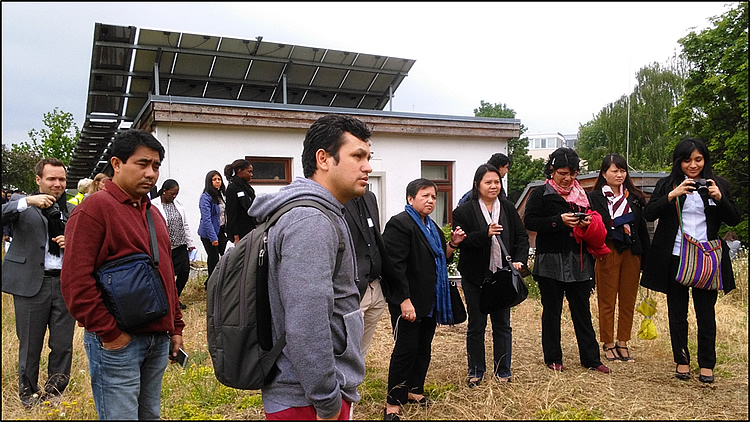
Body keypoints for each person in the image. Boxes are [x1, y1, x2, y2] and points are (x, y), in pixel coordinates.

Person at [247, 114, 372, 420]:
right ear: (323, 159)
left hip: (306, 394)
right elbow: (306, 320)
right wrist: (327, 402)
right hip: (306, 400)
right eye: (357, 156)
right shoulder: (311, 220)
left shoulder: (318, 213)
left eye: (368, 157)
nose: (367, 166)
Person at [60, 129, 185, 419]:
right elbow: (76, 283)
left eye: (155, 166)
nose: (151, 173)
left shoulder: (153, 213)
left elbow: (164, 275)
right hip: (118, 342)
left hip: (157, 339)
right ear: (117, 164)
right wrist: (111, 334)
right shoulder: (93, 210)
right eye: (142, 164)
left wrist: (175, 326)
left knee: (149, 415)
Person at [640, 137, 740, 384]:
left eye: (698, 159)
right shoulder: (667, 184)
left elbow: (734, 219)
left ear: (705, 160)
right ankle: (681, 360)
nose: (693, 165)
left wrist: (719, 198)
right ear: (679, 162)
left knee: (706, 313)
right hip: (675, 256)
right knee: (678, 313)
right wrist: (672, 195)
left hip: (706, 259)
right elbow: (648, 213)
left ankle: (707, 364)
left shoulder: (717, 185)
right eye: (687, 160)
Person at [382, 178, 467, 420]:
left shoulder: (431, 227)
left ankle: (413, 389)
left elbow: (441, 258)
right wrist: (403, 300)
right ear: (410, 199)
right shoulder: (400, 224)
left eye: (433, 196)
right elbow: (394, 268)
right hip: (408, 300)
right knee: (406, 349)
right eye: (424, 196)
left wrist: (453, 244)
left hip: (430, 300)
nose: (430, 200)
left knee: (423, 348)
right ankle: (393, 402)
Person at [523, 147, 611, 374]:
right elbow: (530, 222)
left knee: (582, 310)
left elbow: (597, 220)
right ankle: (553, 358)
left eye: (572, 173)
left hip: (579, 260)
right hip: (550, 260)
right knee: (551, 311)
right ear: (552, 170)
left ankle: (591, 359)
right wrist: (558, 221)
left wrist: (587, 224)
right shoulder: (540, 193)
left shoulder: (584, 196)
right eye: (562, 173)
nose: (568, 178)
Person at [2, 158, 77, 408]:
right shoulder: (20, 205)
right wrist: (26, 201)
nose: (57, 184)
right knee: (30, 343)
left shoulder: (73, 210)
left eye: (62, 180)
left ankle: (54, 393)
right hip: (31, 284)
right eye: (51, 179)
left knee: (63, 344)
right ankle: (28, 394)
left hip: (64, 283)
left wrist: (72, 243)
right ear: (38, 180)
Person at [452, 163, 529, 387]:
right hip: (475, 276)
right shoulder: (463, 211)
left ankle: (503, 370)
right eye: (488, 182)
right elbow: (463, 243)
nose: (493, 186)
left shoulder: (507, 208)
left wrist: (520, 260)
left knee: (502, 324)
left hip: (503, 276)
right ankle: (476, 370)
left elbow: (522, 237)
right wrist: (485, 234)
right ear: (477, 185)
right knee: (476, 325)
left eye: (497, 182)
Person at [588, 153, 651, 362]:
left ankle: (623, 341)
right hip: (608, 251)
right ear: (604, 173)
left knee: (628, 299)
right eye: (614, 170)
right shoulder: (595, 197)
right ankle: (608, 342)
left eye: (622, 170)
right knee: (607, 300)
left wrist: (646, 258)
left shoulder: (633, 197)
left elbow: (641, 229)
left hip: (632, 252)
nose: (619, 174)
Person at [343, 189, 391, 358]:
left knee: (361, 352)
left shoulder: (369, 197)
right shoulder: (336, 196)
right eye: (358, 160)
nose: (366, 168)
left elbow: (373, 237)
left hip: (375, 287)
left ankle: (355, 384)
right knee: (346, 350)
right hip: (352, 289)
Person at [151, 179, 196, 310]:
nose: (174, 196)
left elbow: (185, 224)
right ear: (164, 191)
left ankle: (175, 298)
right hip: (166, 247)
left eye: (176, 193)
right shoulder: (154, 205)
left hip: (181, 245)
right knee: (168, 275)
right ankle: (167, 300)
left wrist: (190, 243)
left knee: (184, 272)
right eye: (172, 193)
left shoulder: (178, 204)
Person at [198, 170, 229, 280]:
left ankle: (214, 280)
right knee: (213, 257)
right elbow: (207, 219)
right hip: (208, 233)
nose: (217, 182)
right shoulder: (205, 198)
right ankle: (212, 282)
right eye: (214, 180)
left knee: (222, 254)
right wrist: (213, 238)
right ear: (209, 182)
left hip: (220, 229)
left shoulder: (221, 195)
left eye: (219, 179)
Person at [224, 158, 257, 244]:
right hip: (241, 233)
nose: (251, 174)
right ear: (240, 171)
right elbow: (231, 214)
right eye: (249, 172)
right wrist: (236, 236)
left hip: (251, 229)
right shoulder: (232, 188)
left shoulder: (247, 188)